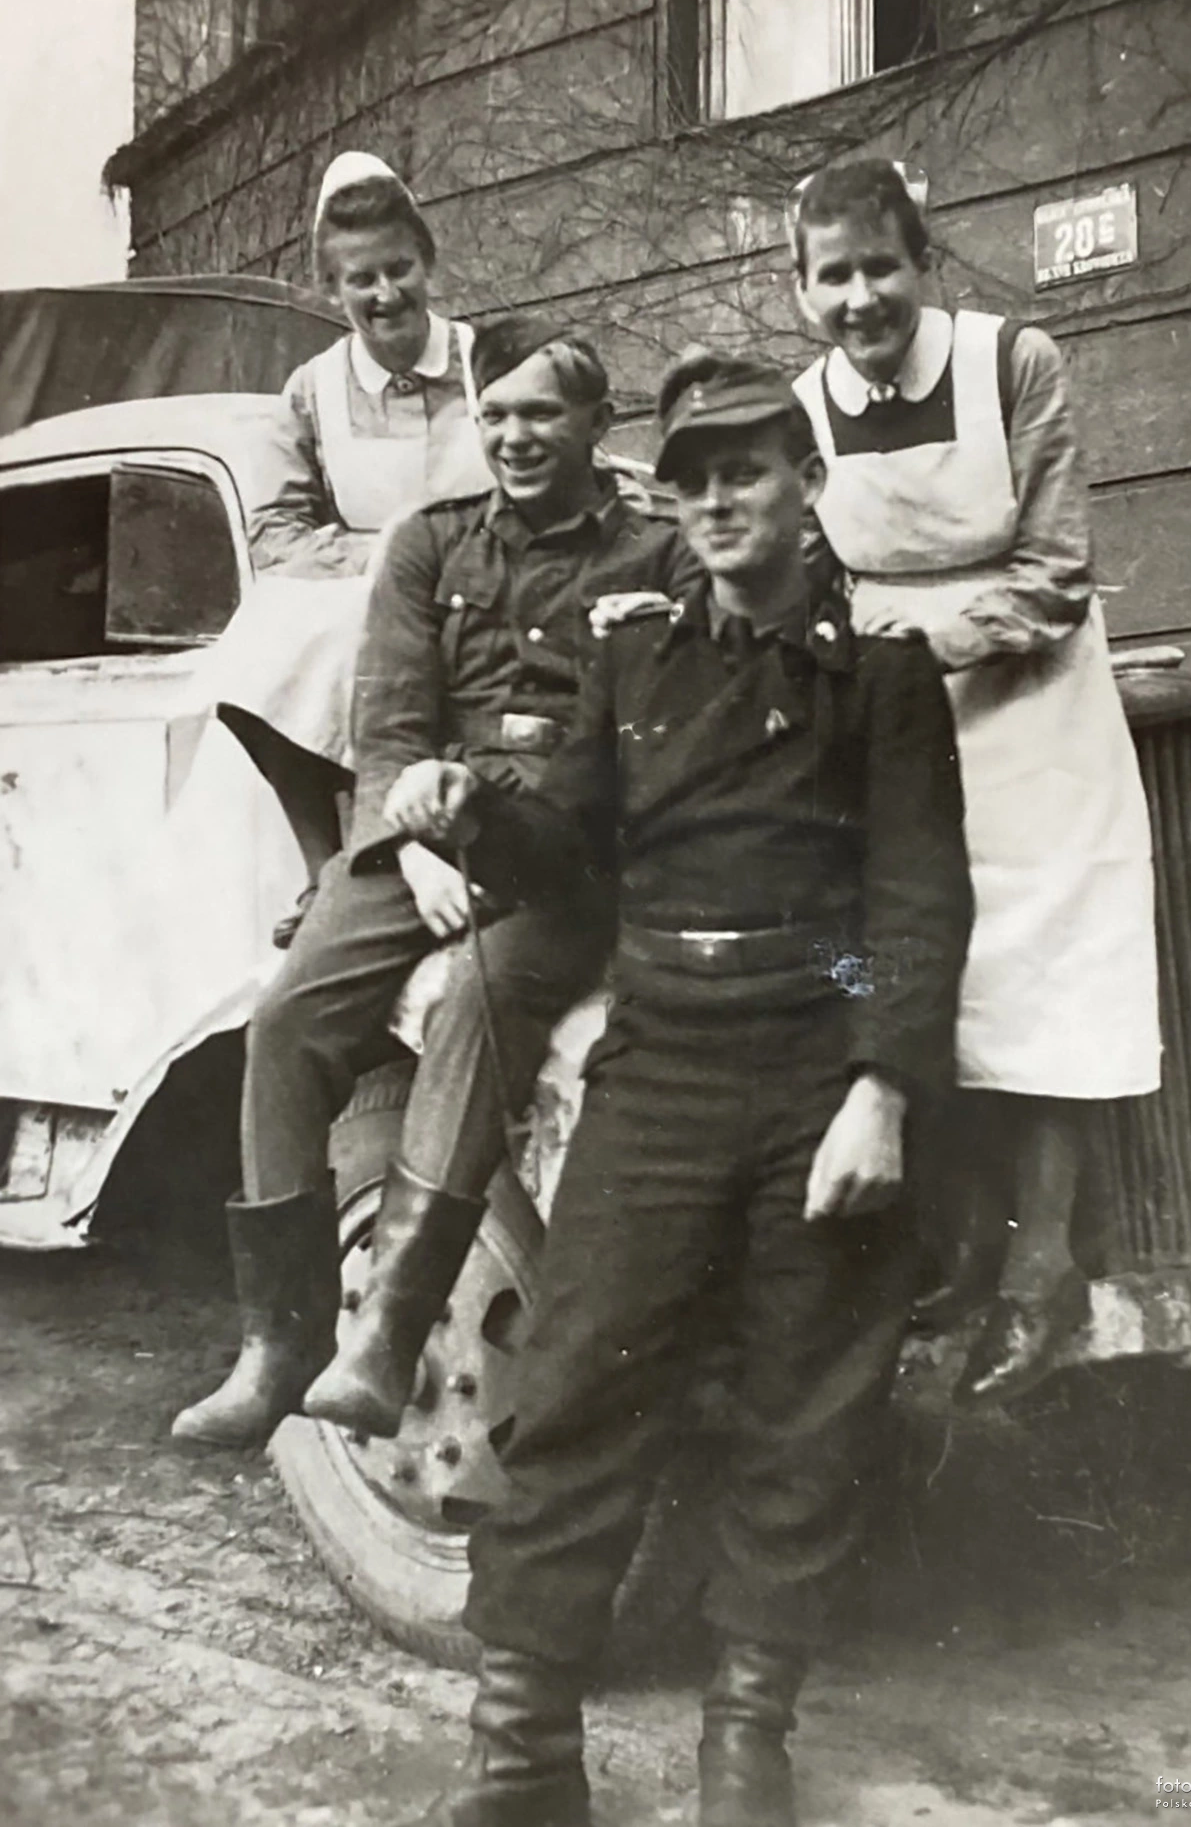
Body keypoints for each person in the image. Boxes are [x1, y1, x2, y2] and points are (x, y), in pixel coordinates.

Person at [388, 352, 973, 1827]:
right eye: (694, 477)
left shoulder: (881, 674)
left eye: (745, 472)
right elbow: (569, 852)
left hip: (817, 1056)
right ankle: (524, 1758)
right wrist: (471, 815)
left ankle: (745, 1746)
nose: (717, 501)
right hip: (660, 1053)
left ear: (805, 483)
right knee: (573, 1389)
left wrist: (879, 1085)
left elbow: (912, 903)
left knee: (804, 1414)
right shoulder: (634, 656)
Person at [170, 319, 700, 1450]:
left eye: (541, 413)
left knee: (478, 996)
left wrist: (503, 833)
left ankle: (388, 1330)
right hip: (421, 833)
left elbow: (648, 746)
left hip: (569, 849)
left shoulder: (659, 553)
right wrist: (409, 848)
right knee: (287, 1017)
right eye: (493, 413)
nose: (513, 436)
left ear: (598, 423)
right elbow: (391, 723)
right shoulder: (430, 542)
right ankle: (278, 1341)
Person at [789, 156, 1161, 1401]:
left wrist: (923, 645)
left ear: (922, 262)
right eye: (831, 276)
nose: (858, 297)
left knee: (1043, 968)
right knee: (922, 962)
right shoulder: (803, 407)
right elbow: (814, 578)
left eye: (878, 267)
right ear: (799, 289)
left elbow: (1055, 569)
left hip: (1032, 701)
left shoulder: (1012, 364)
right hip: (898, 725)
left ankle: (1042, 1270)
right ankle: (962, 1253)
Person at [192, 149, 493, 943]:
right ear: (333, 287)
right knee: (261, 641)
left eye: (399, 269)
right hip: (381, 597)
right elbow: (275, 533)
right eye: (362, 279)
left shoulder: (486, 362)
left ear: (428, 262)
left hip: (494, 584)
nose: (385, 294)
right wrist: (380, 556)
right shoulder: (313, 389)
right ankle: (328, 866)